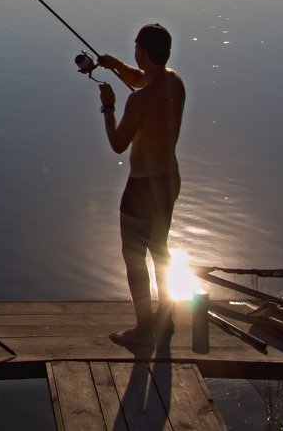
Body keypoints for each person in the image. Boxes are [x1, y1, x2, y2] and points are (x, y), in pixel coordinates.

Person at [96, 23, 186, 346]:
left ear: (143, 52)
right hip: (169, 181)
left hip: (141, 190)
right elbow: (142, 78)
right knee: (160, 251)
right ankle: (166, 319)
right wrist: (115, 65)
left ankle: (143, 329)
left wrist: (108, 106)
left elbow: (118, 144)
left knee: (133, 257)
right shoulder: (174, 82)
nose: (133, 51)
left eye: (136, 47)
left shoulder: (138, 103)